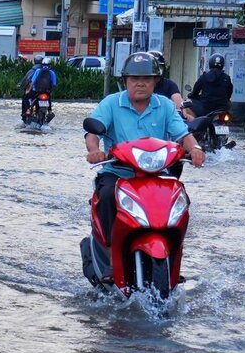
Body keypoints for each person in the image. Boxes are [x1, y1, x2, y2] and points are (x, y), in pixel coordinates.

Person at [86, 51, 205, 248]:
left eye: (147, 79)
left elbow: (183, 136)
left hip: (158, 175)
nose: (140, 83)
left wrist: (196, 149)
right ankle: (108, 251)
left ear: (156, 81)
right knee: (106, 196)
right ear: (125, 80)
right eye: (135, 78)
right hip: (118, 173)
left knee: (181, 198)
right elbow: (92, 134)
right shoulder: (111, 103)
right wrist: (94, 151)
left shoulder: (165, 106)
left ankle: (175, 249)